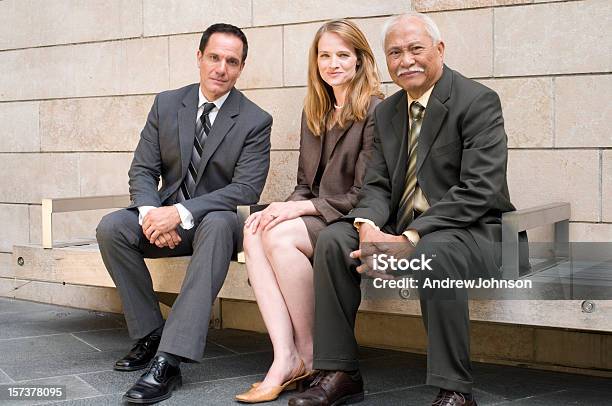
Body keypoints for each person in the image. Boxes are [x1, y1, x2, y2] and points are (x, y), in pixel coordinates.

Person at [289, 12, 517, 406]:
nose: (406, 60)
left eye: (416, 49)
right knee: (332, 239)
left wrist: (410, 237)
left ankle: (455, 390)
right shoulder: (387, 111)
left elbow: (479, 190)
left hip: (471, 232)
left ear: (439, 50)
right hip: (397, 229)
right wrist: (367, 228)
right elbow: (376, 184)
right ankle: (340, 372)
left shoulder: (477, 101)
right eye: (395, 52)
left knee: (435, 252)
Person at [95, 23, 272, 404]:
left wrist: (179, 213)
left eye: (231, 61)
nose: (221, 68)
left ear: (241, 67)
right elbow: (143, 169)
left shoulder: (256, 120)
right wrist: (151, 215)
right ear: (199, 57)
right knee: (112, 227)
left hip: (214, 223)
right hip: (165, 218)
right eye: (214, 57)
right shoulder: (167, 103)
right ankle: (150, 333)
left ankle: (169, 359)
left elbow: (245, 189)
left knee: (223, 221)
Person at [234, 19, 383, 404]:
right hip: (318, 213)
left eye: (342, 55)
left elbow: (364, 193)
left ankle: (311, 352)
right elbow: (305, 182)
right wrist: (283, 207)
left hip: (353, 219)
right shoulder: (315, 109)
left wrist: (298, 209)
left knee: (280, 238)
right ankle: (285, 356)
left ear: (360, 60)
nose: (332, 63)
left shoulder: (376, 111)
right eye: (325, 55)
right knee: (255, 228)